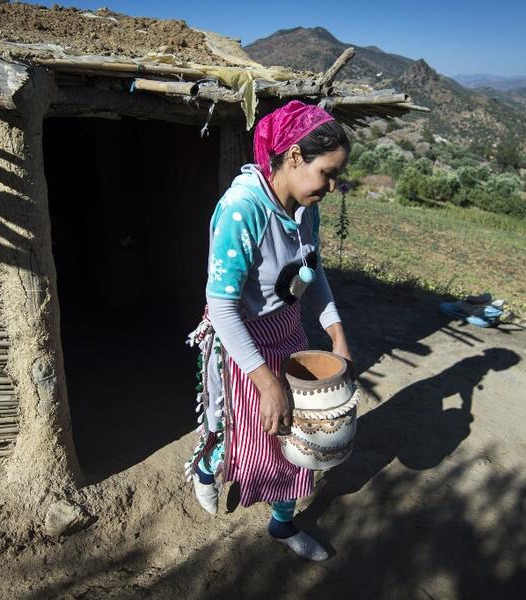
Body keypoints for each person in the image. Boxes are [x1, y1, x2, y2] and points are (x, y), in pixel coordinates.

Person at [184, 100, 352, 561]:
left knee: (298, 439)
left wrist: (337, 334)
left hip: (288, 334)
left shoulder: (305, 208)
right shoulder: (243, 210)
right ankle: (208, 468)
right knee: (248, 435)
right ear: (294, 156)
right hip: (243, 341)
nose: (332, 187)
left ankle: (282, 523)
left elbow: (313, 273)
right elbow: (222, 306)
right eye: (327, 174)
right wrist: (266, 382)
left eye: (337, 177)